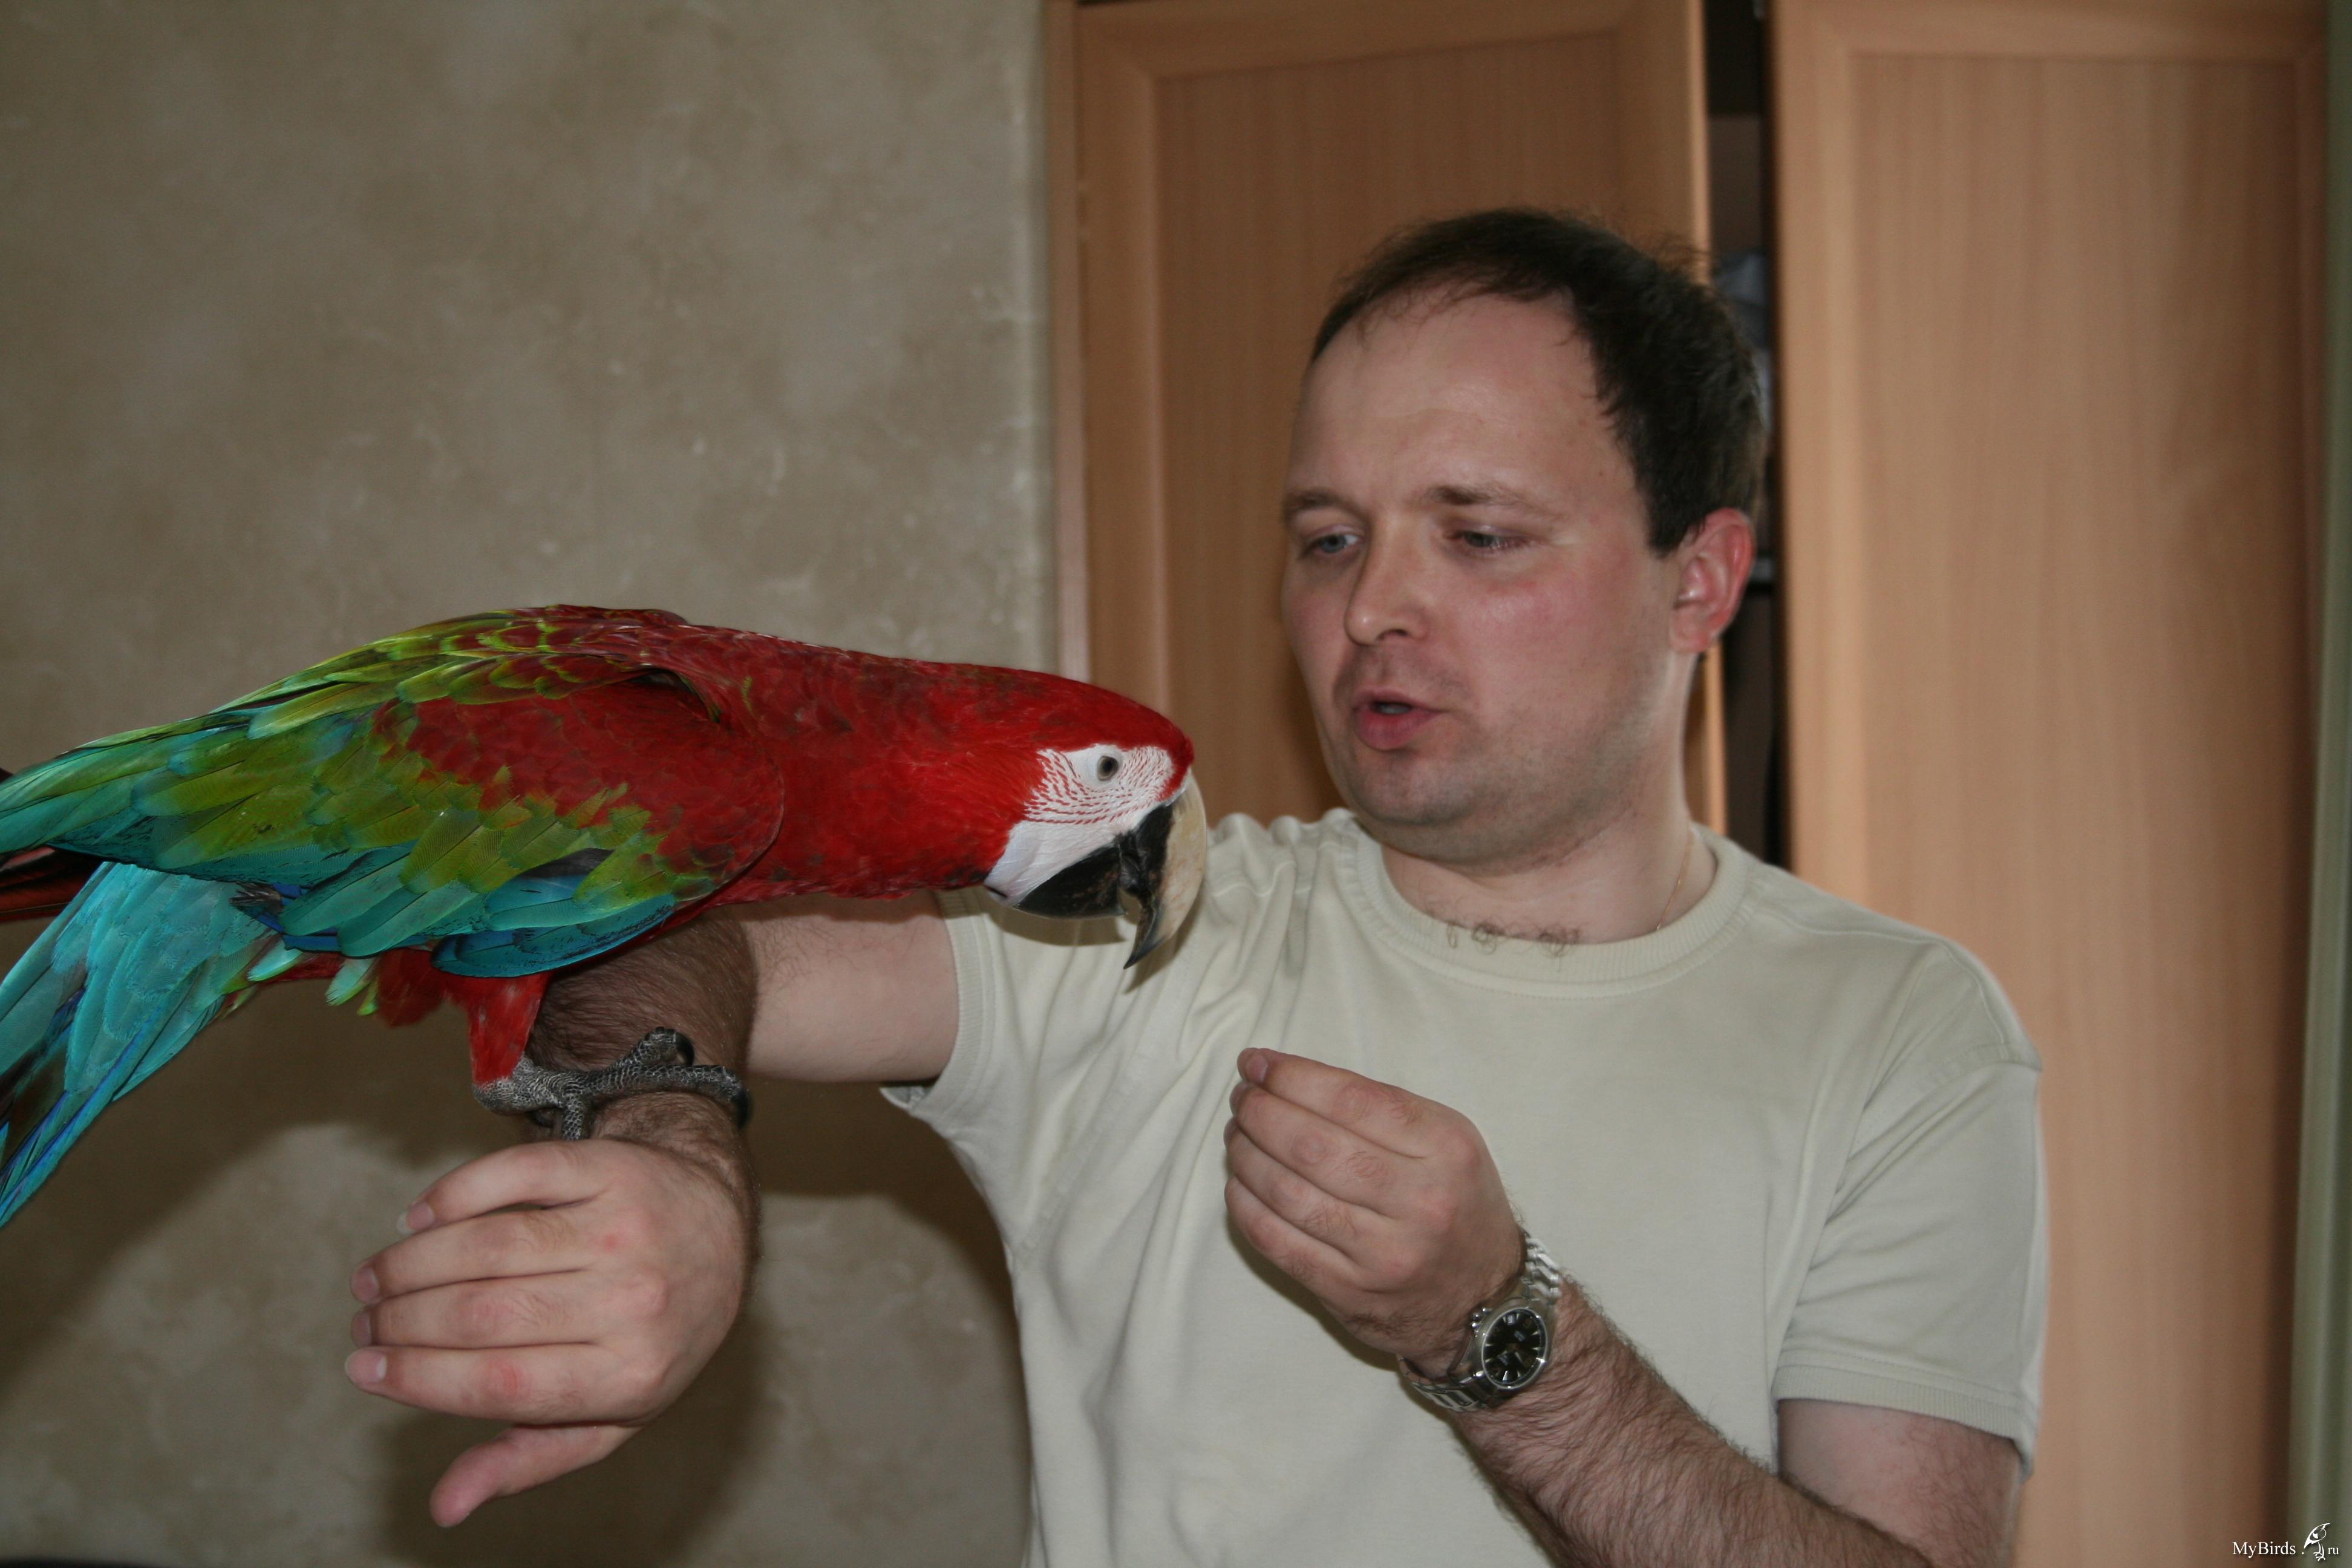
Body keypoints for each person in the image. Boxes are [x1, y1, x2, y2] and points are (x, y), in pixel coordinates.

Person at [338, 209, 2045, 1566]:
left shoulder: (1900, 1033)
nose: (1370, 609)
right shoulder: (1134, 929)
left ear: (1702, 579)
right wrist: (672, 1147)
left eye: (1477, 534)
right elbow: (660, 918)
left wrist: (1493, 1328)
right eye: (1329, 538)